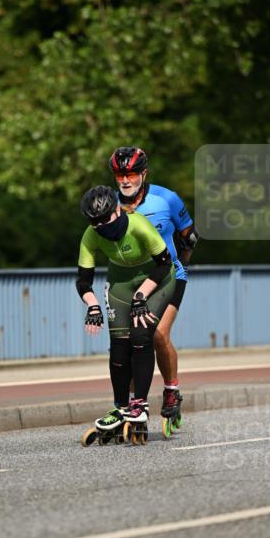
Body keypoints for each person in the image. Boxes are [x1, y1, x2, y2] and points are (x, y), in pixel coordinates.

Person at [76, 184, 176, 440]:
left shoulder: (138, 224)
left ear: (117, 209)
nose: (102, 227)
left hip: (157, 279)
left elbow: (164, 264)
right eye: (96, 223)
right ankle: (121, 406)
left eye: (105, 220)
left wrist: (142, 296)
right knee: (119, 345)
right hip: (120, 283)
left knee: (141, 335)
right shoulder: (91, 234)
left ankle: (139, 404)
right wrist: (93, 306)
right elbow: (83, 281)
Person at [109, 146, 198, 424]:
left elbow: (190, 236)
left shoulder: (166, 198)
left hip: (169, 276)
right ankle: (133, 405)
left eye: (132, 173)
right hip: (133, 282)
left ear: (143, 173)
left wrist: (180, 263)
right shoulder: (109, 202)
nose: (125, 180)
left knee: (158, 334)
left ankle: (171, 391)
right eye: (120, 174)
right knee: (132, 341)